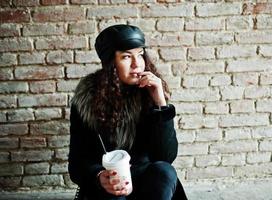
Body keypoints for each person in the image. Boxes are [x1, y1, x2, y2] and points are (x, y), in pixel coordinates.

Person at [68, 24, 187, 200]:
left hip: (146, 181)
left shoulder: (149, 94)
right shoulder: (87, 100)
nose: (136, 64)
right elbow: (77, 164)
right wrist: (99, 177)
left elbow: (165, 157)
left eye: (140, 55)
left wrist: (160, 104)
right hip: (109, 185)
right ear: (111, 63)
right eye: (126, 57)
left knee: (164, 171)